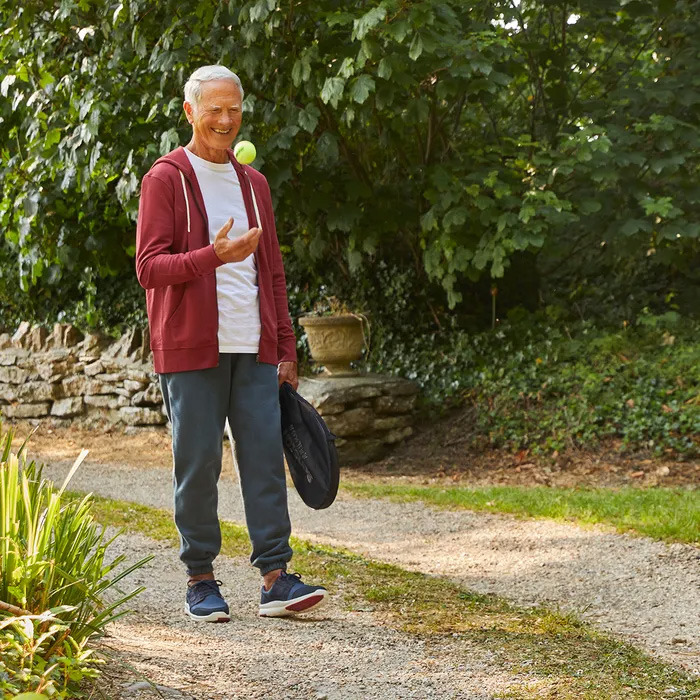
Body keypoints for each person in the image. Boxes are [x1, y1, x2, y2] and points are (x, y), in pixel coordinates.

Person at [135, 65, 327, 622]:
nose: (225, 120)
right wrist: (212, 257)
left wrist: (286, 346)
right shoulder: (166, 178)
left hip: (254, 346)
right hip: (191, 346)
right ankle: (200, 579)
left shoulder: (254, 184)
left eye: (234, 109)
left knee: (265, 460)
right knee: (196, 464)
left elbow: (272, 272)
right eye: (214, 109)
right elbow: (150, 267)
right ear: (190, 112)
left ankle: (275, 577)